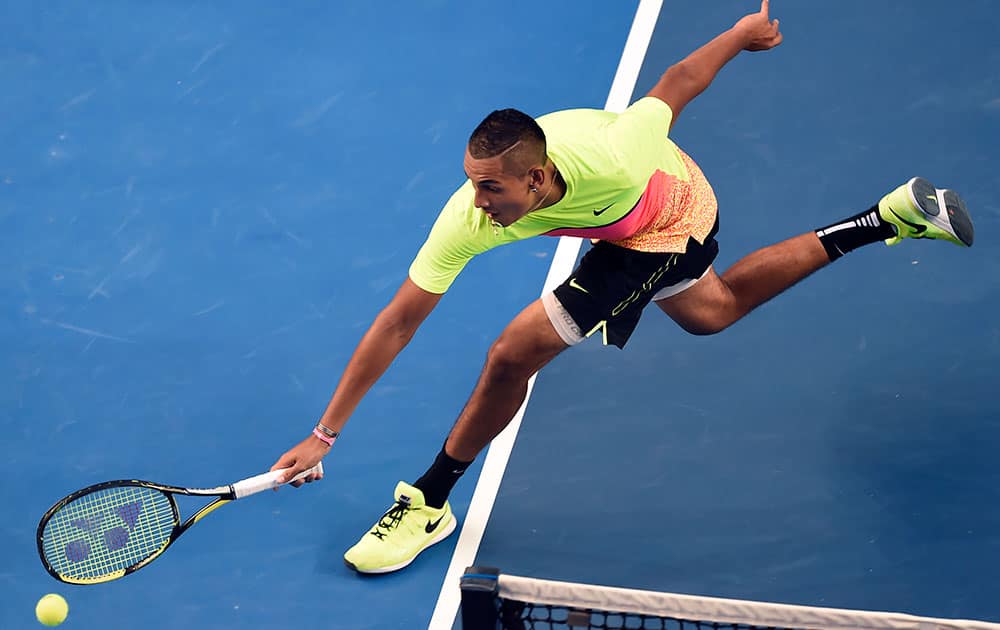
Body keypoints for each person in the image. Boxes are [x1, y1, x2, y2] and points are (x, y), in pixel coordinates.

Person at [269, 0, 974, 574]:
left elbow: (678, 81)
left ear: (537, 179)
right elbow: (398, 319)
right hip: (625, 226)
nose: (476, 201)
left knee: (510, 354)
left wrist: (738, 34)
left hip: (669, 213)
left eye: (490, 187)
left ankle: (430, 498)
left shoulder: (614, 155)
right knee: (714, 311)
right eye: (470, 183)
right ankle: (888, 218)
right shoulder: (470, 217)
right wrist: (325, 433)